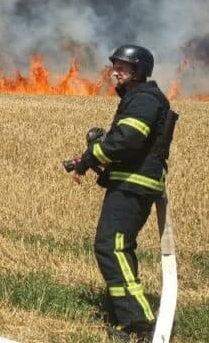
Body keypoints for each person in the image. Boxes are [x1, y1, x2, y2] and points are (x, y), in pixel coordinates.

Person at [71, 45, 177, 341]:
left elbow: (127, 140)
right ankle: (127, 317)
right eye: (115, 66)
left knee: (111, 247)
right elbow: (125, 145)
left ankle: (140, 324)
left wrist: (92, 154)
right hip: (129, 182)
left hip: (134, 184)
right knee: (118, 246)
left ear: (139, 70)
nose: (115, 71)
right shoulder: (138, 98)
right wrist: (91, 158)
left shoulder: (144, 99)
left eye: (123, 67)